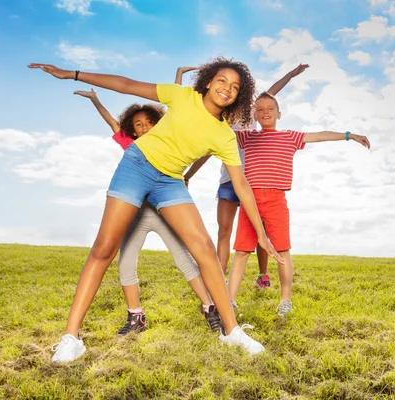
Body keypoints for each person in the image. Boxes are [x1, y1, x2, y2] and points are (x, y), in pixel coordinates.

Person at [29, 57, 283, 362]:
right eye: (221, 81)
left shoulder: (223, 135)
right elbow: (126, 85)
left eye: (234, 86)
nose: (227, 88)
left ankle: (232, 333)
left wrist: (261, 233)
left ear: (239, 96)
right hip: (137, 165)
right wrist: (72, 74)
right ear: (207, 82)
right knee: (104, 248)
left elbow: (241, 185)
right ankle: (71, 338)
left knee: (203, 247)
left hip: (170, 181)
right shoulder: (182, 97)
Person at [73, 67, 220, 335]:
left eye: (148, 123)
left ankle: (210, 307)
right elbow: (111, 122)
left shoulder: (167, 136)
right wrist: (96, 100)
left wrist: (177, 76)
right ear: (133, 129)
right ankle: (135, 317)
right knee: (126, 262)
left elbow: (172, 106)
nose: (143, 127)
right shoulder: (131, 146)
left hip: (162, 210)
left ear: (157, 123)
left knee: (184, 258)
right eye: (137, 125)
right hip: (136, 212)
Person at [227, 91, 371, 316]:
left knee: (283, 251)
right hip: (250, 200)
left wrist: (349, 135)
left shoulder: (289, 136)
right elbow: (220, 131)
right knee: (242, 251)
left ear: (279, 113)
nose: (265, 113)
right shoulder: (247, 137)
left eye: (270, 109)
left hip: (276, 200)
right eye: (260, 109)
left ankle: (285, 300)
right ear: (254, 114)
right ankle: (230, 300)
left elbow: (320, 136)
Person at [184, 64, 309, 291]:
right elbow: (206, 153)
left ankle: (263, 274)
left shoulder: (250, 114)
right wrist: (189, 174)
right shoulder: (219, 121)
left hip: (254, 181)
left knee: (261, 228)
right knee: (225, 231)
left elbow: (271, 93)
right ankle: (219, 282)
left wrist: (291, 74)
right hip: (228, 182)